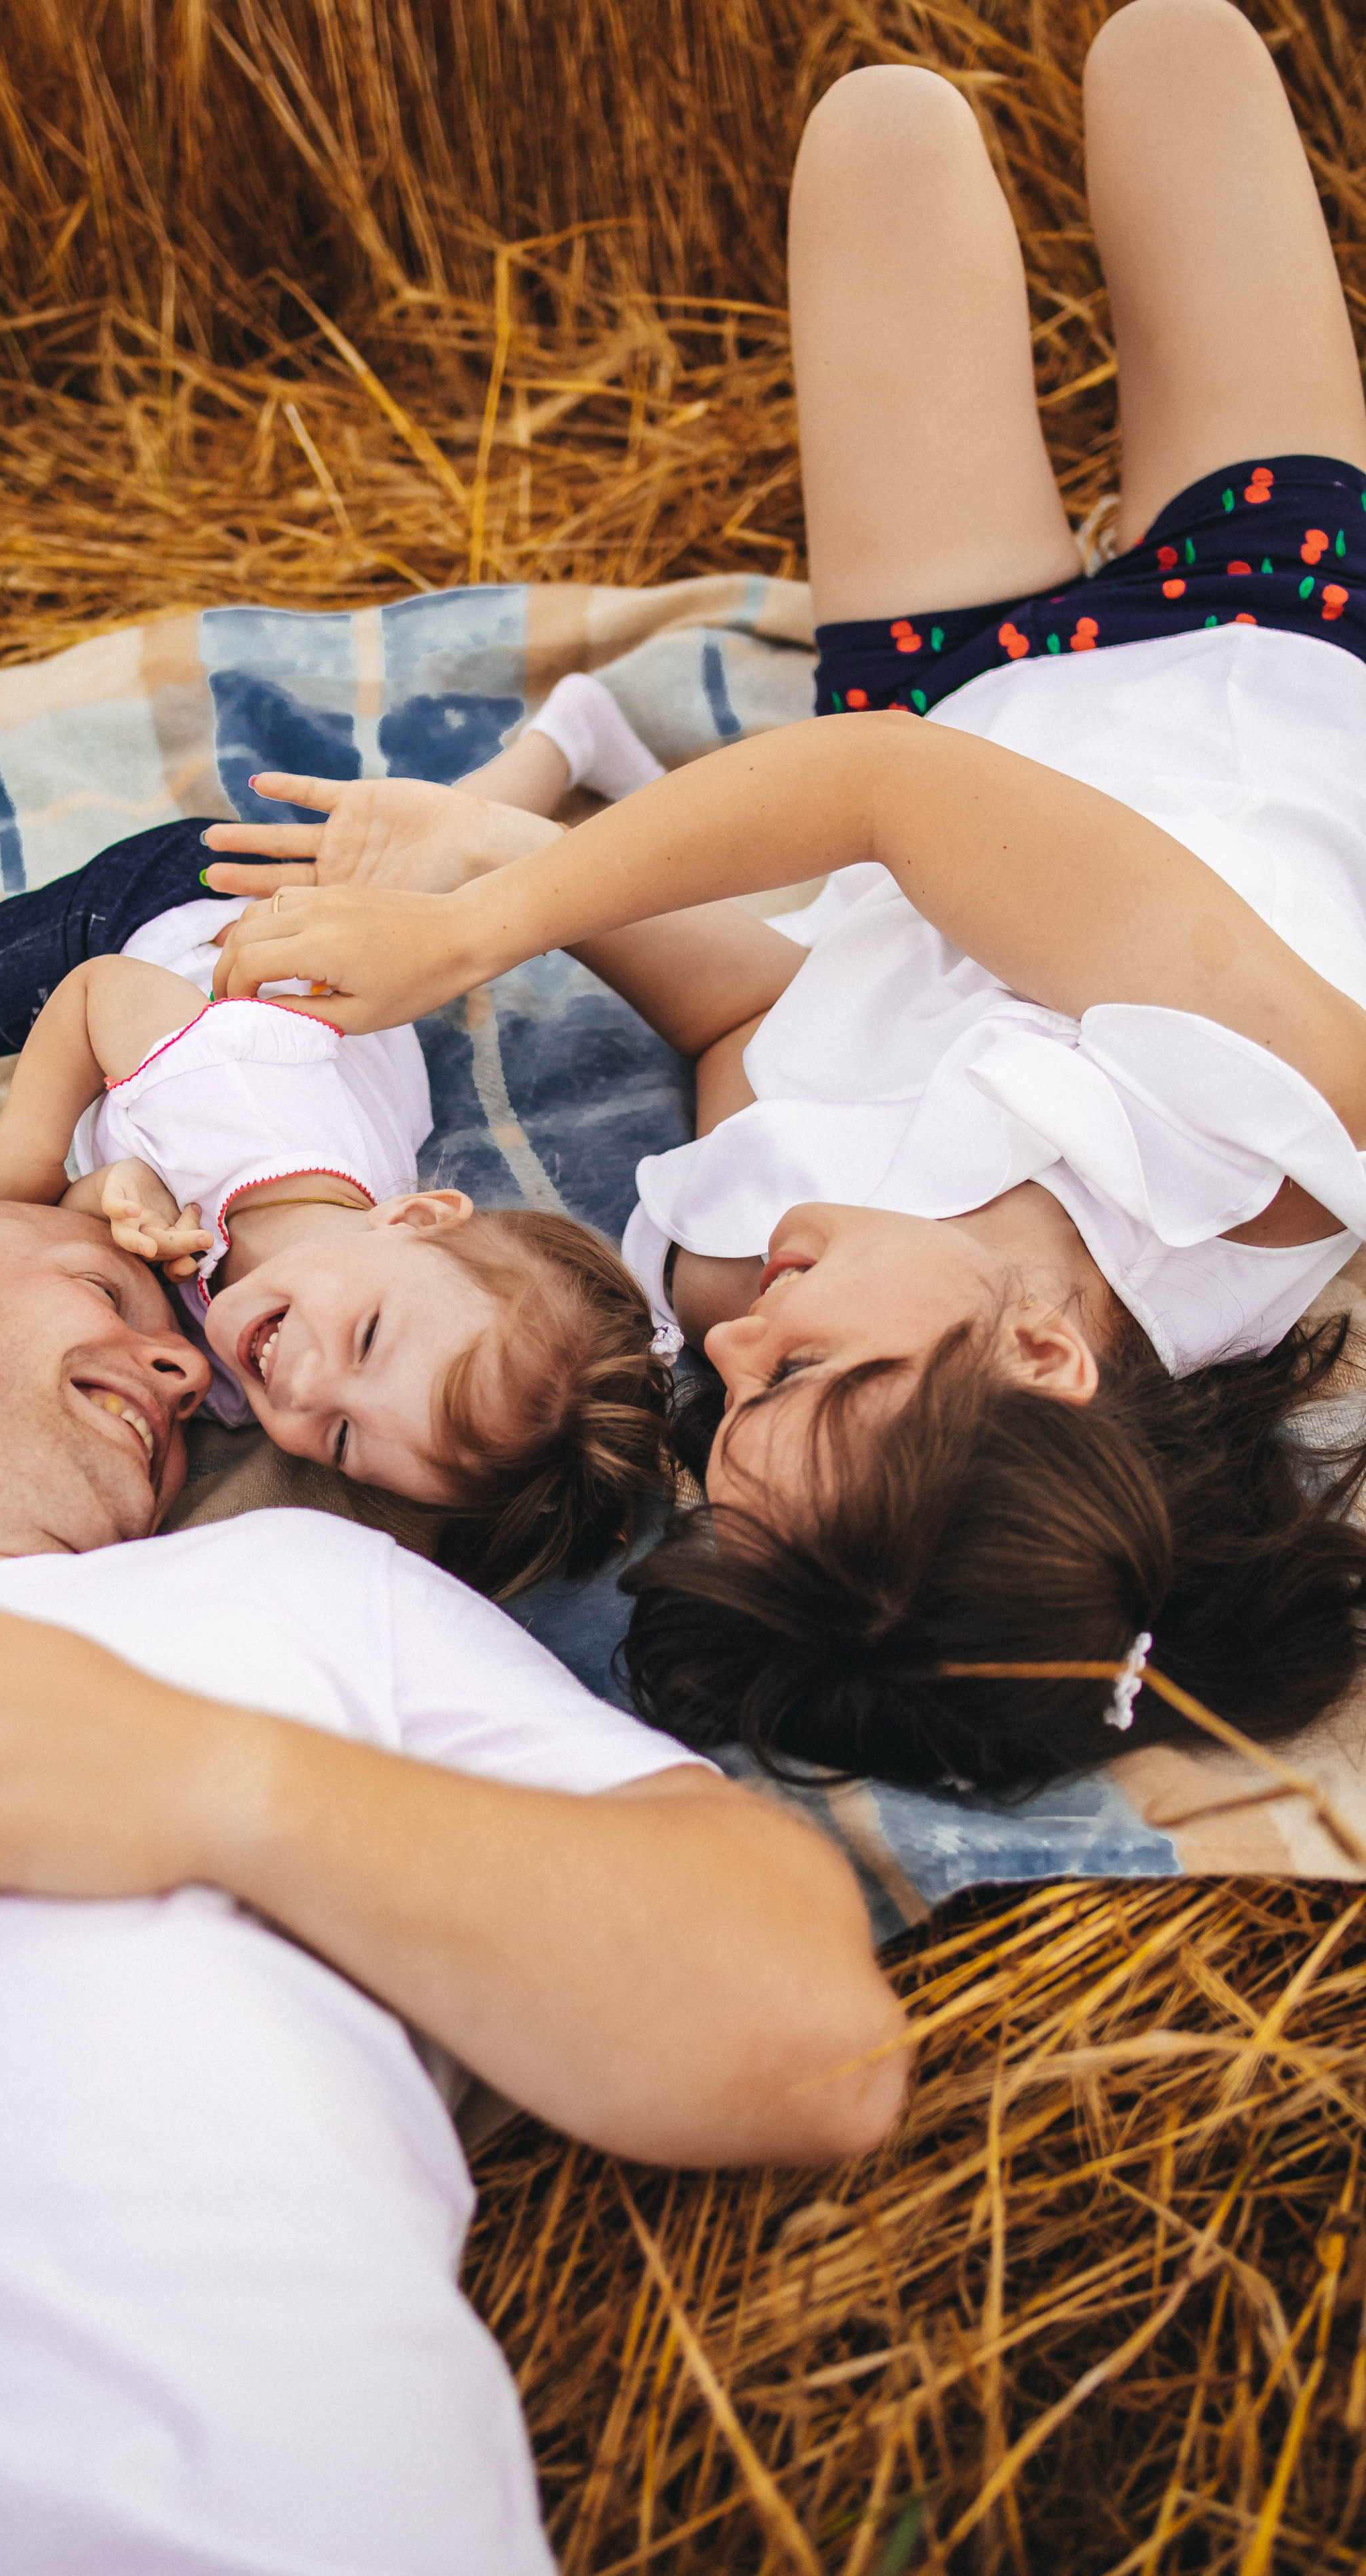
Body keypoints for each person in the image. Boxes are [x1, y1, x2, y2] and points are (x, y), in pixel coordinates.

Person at [190, 0, 1366, 1799]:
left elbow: (748, 1004)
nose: (730, 1349)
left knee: (878, 130)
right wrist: (478, 934)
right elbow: (882, 801)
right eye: (802, 1383)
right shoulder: (1263, 1149)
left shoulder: (742, 1261)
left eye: (729, 1412)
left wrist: (489, 851)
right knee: (1173, 48)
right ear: (1040, 1355)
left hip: (952, 685)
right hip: (1265, 637)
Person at [0, 1197, 903, 2574]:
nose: (186, 1369)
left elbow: (810, 2041)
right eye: (99, 1291)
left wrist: (221, 1785)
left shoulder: (300, 1584)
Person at [0, 686, 670, 1599]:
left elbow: (109, 1220)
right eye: (364, 1338)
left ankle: (562, 742)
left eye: (343, 1440)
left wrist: (112, 1200)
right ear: (412, 1217)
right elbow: (97, 996)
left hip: (324, 977)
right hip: (177, 920)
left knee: (439, 867)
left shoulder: (242, 1361)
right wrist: (24, 1166)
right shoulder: (243, 1103)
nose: (306, 1386)